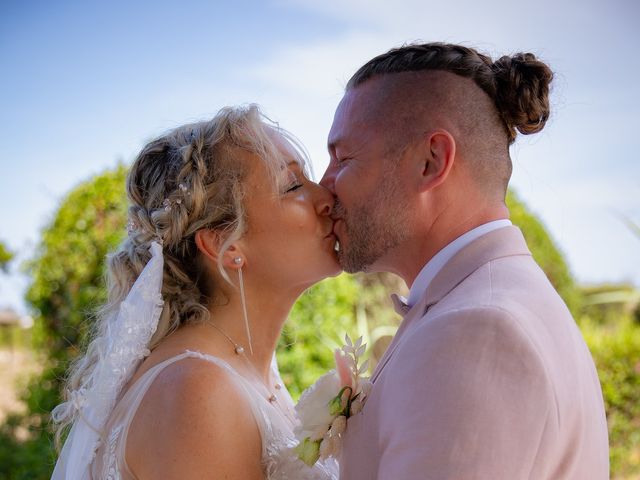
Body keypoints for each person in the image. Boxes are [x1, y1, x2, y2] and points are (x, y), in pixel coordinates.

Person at [321, 42, 609, 479]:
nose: (324, 188)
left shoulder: (477, 330)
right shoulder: (487, 303)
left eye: (343, 158)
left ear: (430, 161)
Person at [51, 105, 340, 479]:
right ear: (225, 244)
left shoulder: (248, 370)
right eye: (293, 186)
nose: (326, 198)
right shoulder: (197, 390)